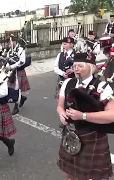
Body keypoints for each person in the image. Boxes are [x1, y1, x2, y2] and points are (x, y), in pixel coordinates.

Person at [57, 52, 114, 180]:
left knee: (93, 176)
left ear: (91, 67)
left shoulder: (102, 87)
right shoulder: (68, 83)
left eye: (80, 66)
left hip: (92, 135)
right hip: (70, 135)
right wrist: (61, 114)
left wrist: (82, 116)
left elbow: (111, 115)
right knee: (69, 173)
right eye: (75, 65)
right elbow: (60, 106)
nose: (76, 69)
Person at [7, 35, 29, 115]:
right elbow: (8, 60)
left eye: (10, 42)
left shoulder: (20, 49)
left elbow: (22, 61)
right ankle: (22, 98)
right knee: (12, 88)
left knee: (18, 88)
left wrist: (12, 66)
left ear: (14, 42)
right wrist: (7, 67)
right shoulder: (10, 51)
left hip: (19, 71)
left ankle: (16, 106)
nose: (9, 44)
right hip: (12, 72)